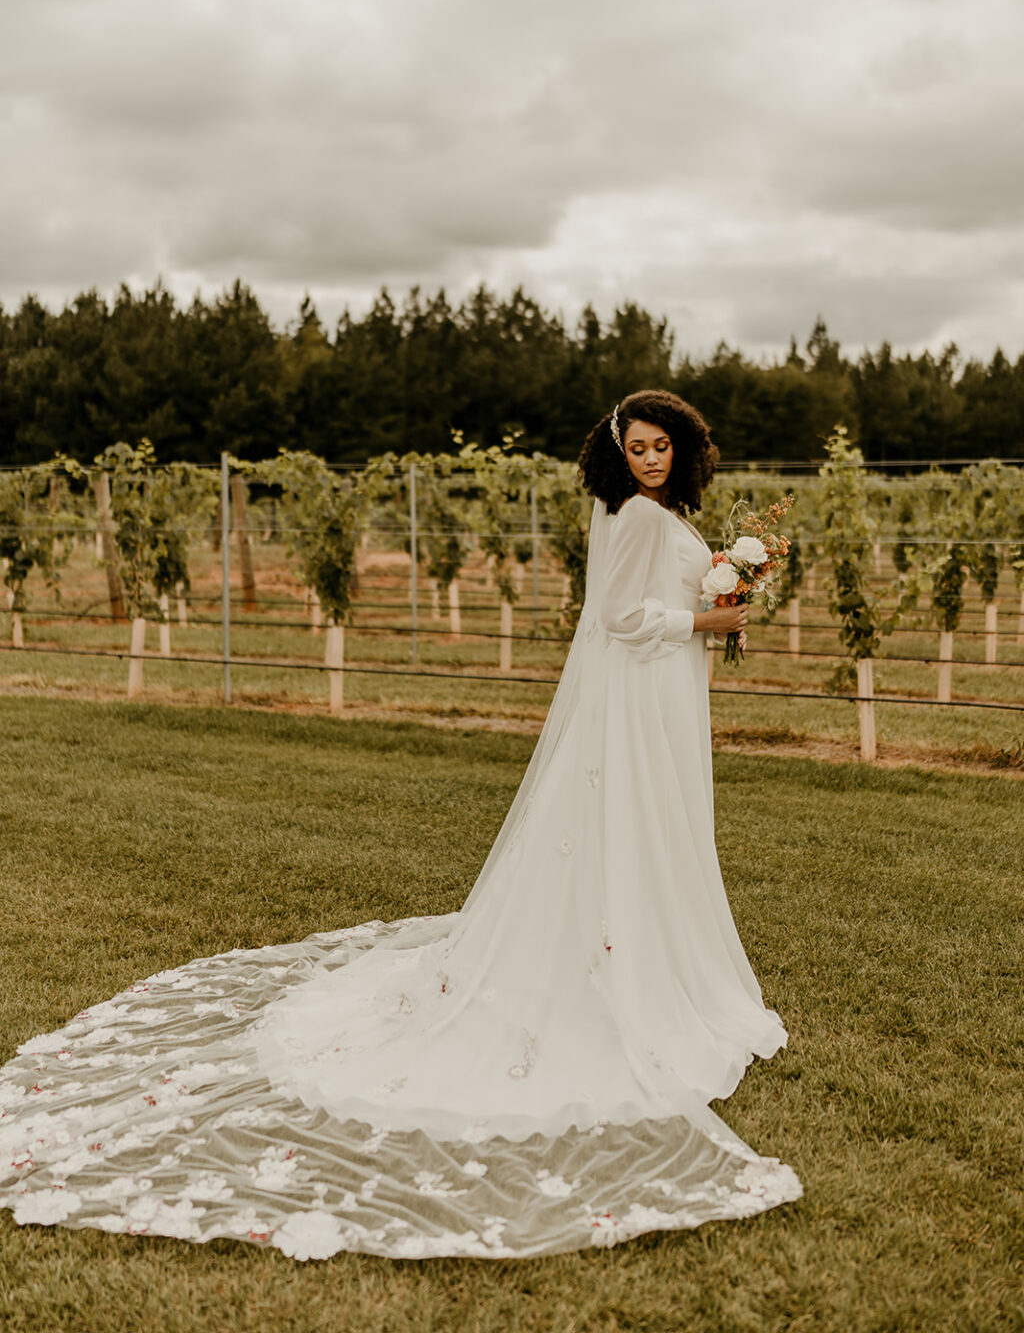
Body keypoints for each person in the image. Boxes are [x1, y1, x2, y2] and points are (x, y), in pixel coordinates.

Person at [0, 391, 800, 1260]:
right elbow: (619, 620)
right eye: (640, 448)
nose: (653, 459)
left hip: (655, 694)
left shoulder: (642, 513)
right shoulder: (639, 518)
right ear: (620, 455)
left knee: (651, 829)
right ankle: (639, 966)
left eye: (665, 446)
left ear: (686, 449)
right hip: (645, 701)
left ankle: (638, 946)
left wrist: (717, 600)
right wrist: (708, 615)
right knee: (649, 826)